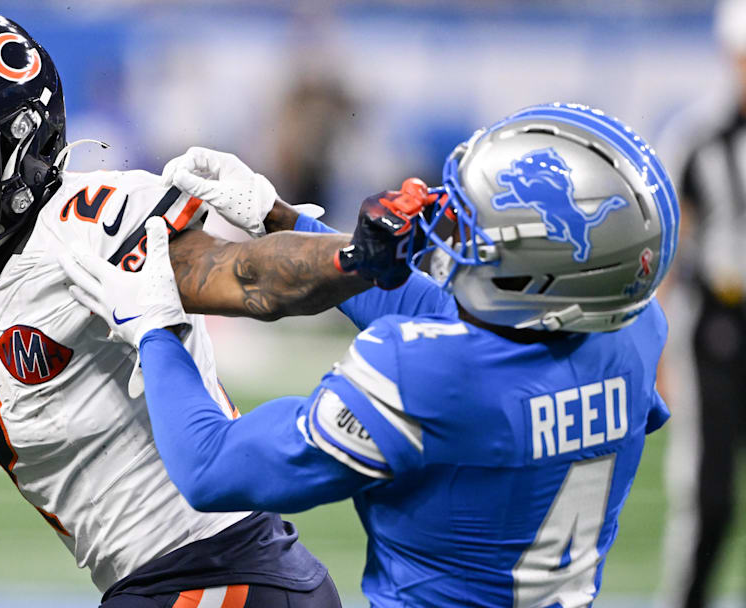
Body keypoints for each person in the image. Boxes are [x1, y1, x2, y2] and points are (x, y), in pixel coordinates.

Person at [0, 10, 411, 608]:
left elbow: (249, 277)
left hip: (223, 575)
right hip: (155, 583)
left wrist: (353, 255)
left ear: (22, 148)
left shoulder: (87, 227)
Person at [58, 103, 679, 607]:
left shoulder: (421, 374)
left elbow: (212, 469)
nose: (449, 230)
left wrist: (155, 329)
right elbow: (488, 340)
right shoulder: (632, 328)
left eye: (474, 228)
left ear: (542, 274)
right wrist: (284, 221)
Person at [658, 1, 746, 605]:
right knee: (708, 493)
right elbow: (666, 249)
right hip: (722, 321)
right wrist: (656, 343)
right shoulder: (698, 138)